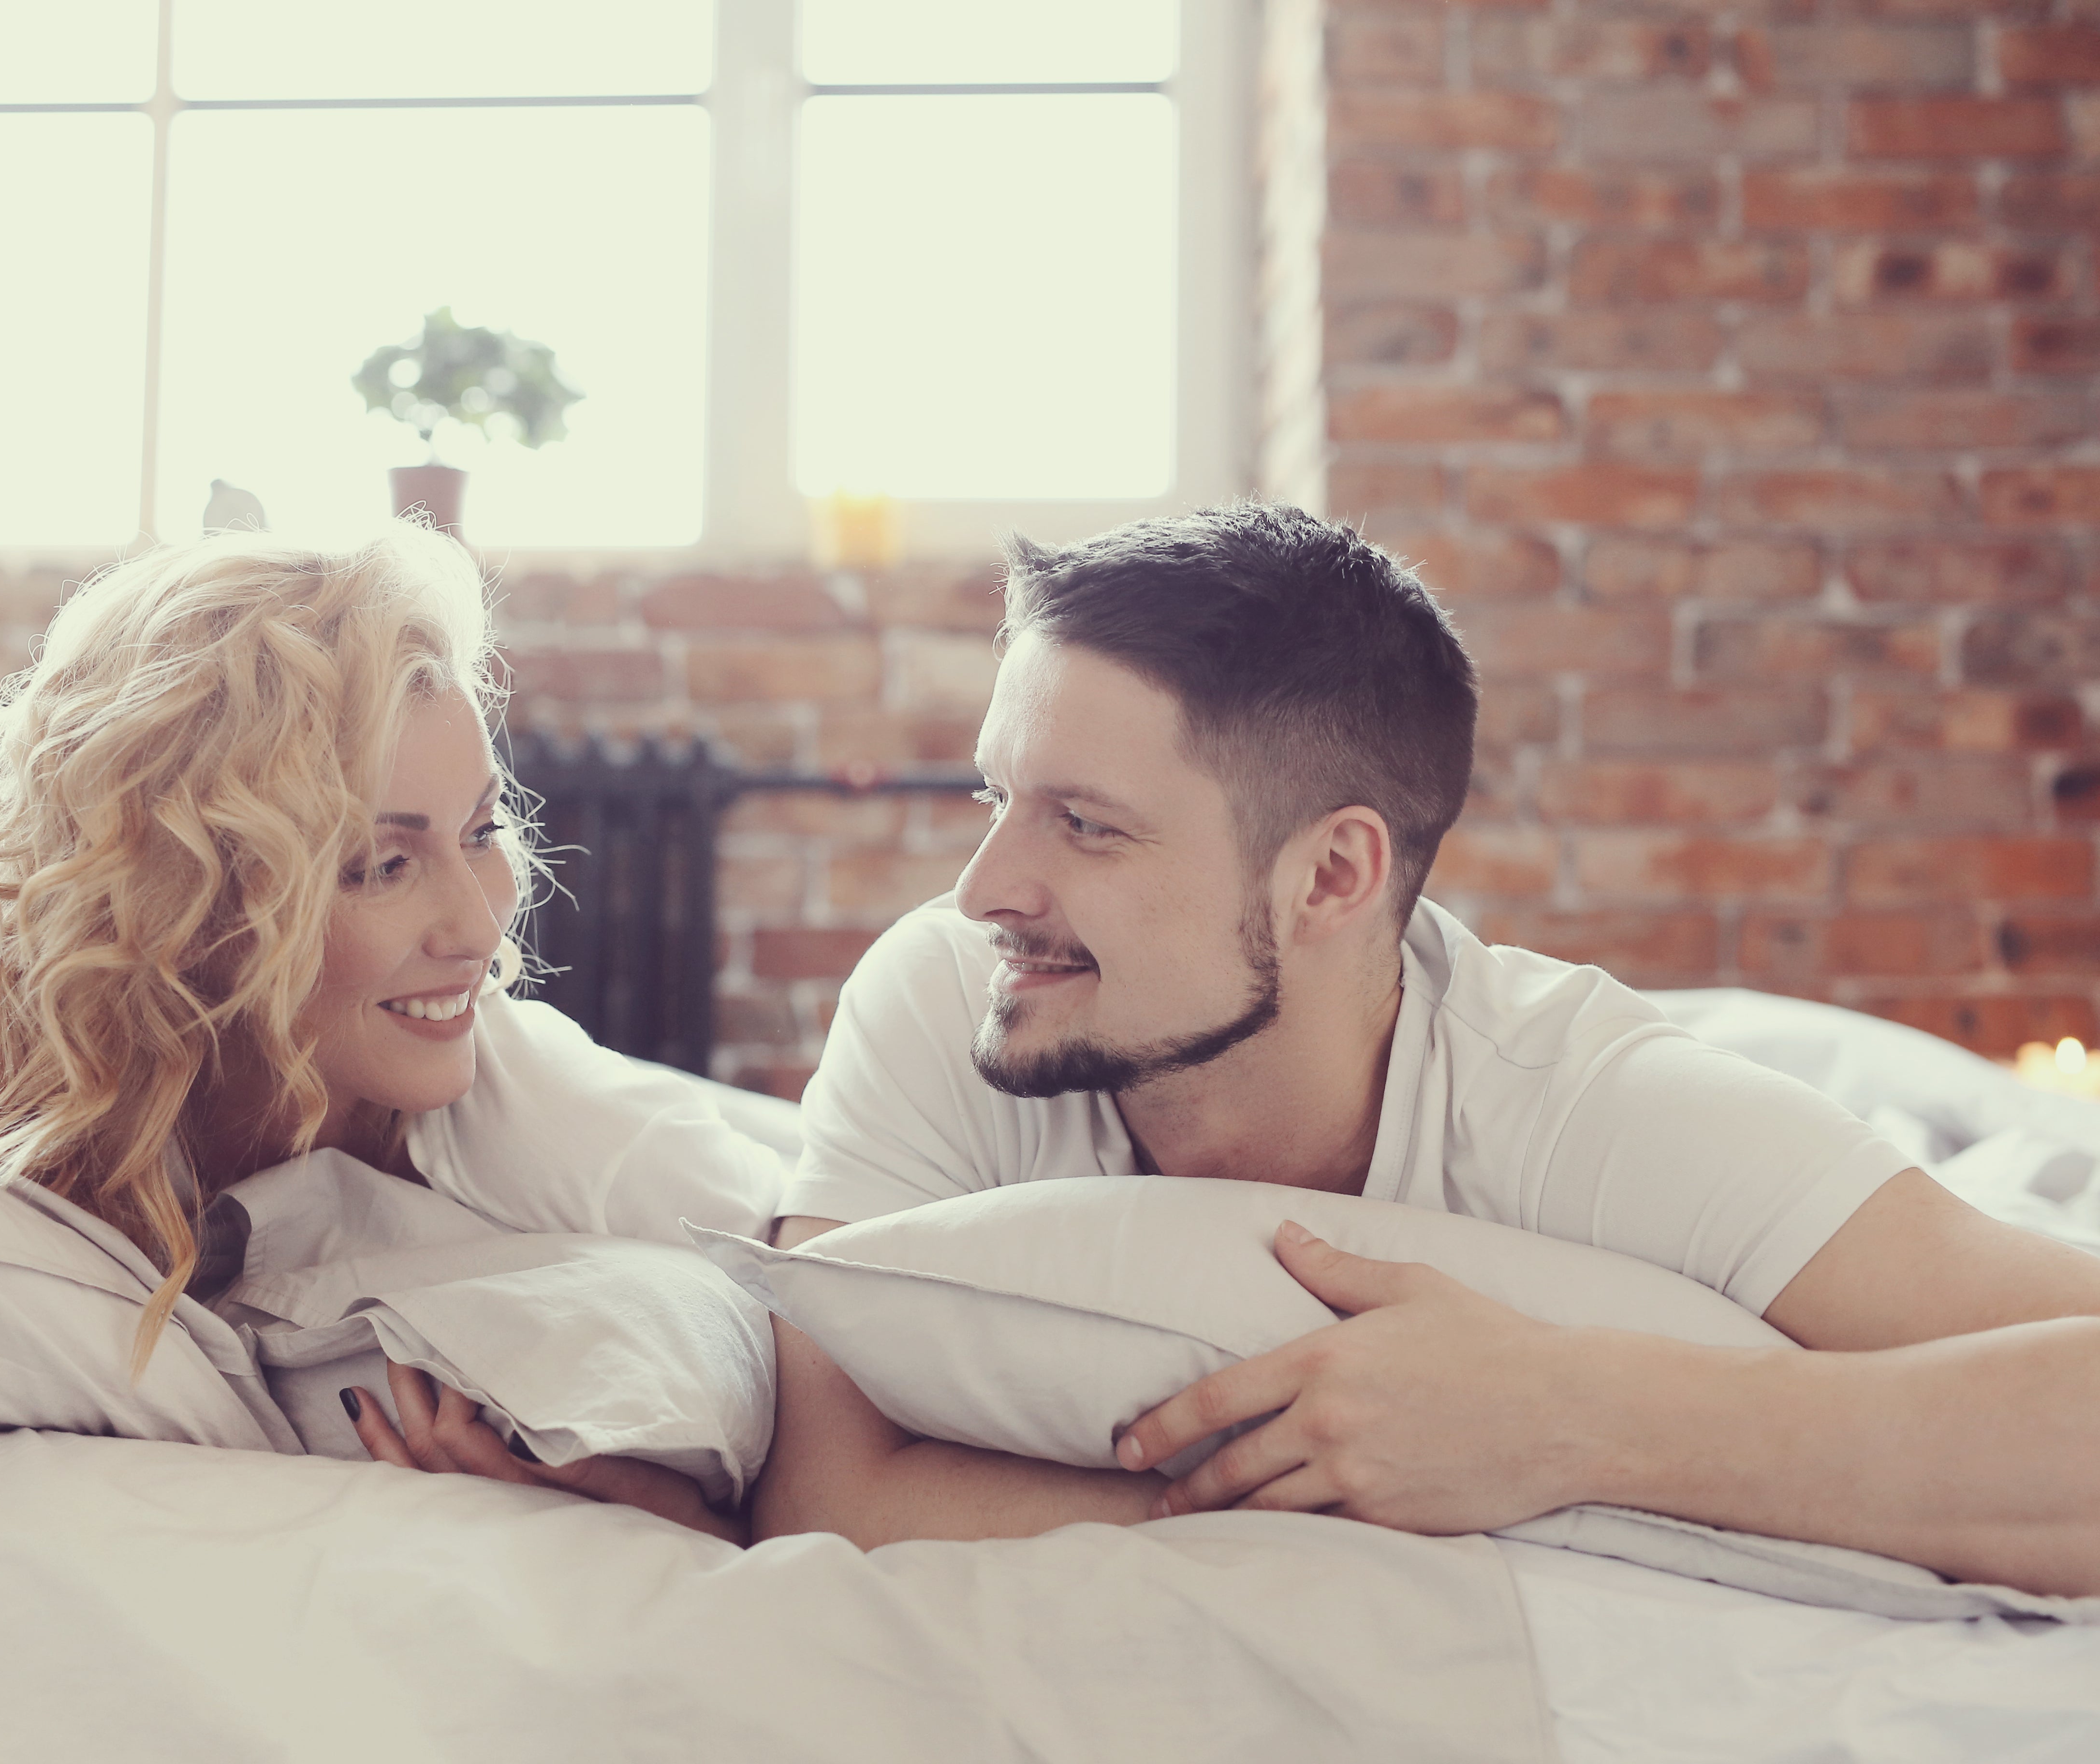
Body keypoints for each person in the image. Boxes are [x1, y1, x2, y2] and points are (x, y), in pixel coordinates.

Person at [750, 503, 2100, 1597]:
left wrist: (1568, 1416)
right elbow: (823, 1498)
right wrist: (1325, 1501)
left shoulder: (1597, 1109)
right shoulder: (947, 997)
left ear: (1333, 876)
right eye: (997, 797)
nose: (986, 885)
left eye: (1085, 825)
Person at [0, 525, 778, 1542]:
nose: (478, 928)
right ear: (193, 898)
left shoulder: (528, 1106)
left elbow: (829, 1296)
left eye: (481, 833)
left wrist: (679, 1513)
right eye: (383, 864)